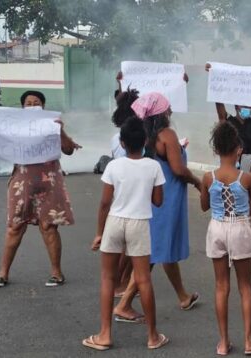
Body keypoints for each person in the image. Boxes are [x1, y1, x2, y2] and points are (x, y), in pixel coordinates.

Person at [83, 117, 169, 351]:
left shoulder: (113, 165)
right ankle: (152, 336)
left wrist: (99, 233)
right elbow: (159, 201)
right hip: (139, 223)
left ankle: (105, 335)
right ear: (146, 142)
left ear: (122, 143)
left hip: (114, 222)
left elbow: (104, 203)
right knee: (143, 280)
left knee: (108, 279)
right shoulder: (153, 166)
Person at [0, 90, 82, 288]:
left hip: (49, 181)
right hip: (22, 181)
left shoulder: (52, 123)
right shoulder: (14, 127)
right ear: (22, 107)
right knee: (15, 226)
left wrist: (60, 131)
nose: (32, 105)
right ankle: (3, 273)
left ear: (43, 106)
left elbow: (69, 150)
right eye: (28, 103)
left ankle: (56, 272)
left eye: (36, 102)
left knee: (49, 226)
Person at [115, 92, 201, 313]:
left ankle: (183, 296)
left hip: (156, 195)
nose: (170, 110)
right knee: (154, 251)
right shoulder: (167, 134)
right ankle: (124, 305)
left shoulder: (148, 136)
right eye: (168, 107)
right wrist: (197, 181)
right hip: (168, 197)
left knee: (162, 247)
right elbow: (178, 169)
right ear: (162, 113)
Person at [200, 121, 251, 356]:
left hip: (217, 227)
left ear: (216, 150)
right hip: (239, 227)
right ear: (238, 148)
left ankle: (223, 342)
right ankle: (248, 341)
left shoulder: (208, 178)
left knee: (221, 286)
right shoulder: (246, 178)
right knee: (245, 286)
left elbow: (204, 206)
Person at [207, 63, 251, 265]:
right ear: (236, 107)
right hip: (231, 168)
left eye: (249, 106)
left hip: (248, 168)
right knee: (230, 209)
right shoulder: (228, 122)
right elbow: (220, 111)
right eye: (243, 106)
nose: (247, 109)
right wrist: (216, 81)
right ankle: (228, 245)